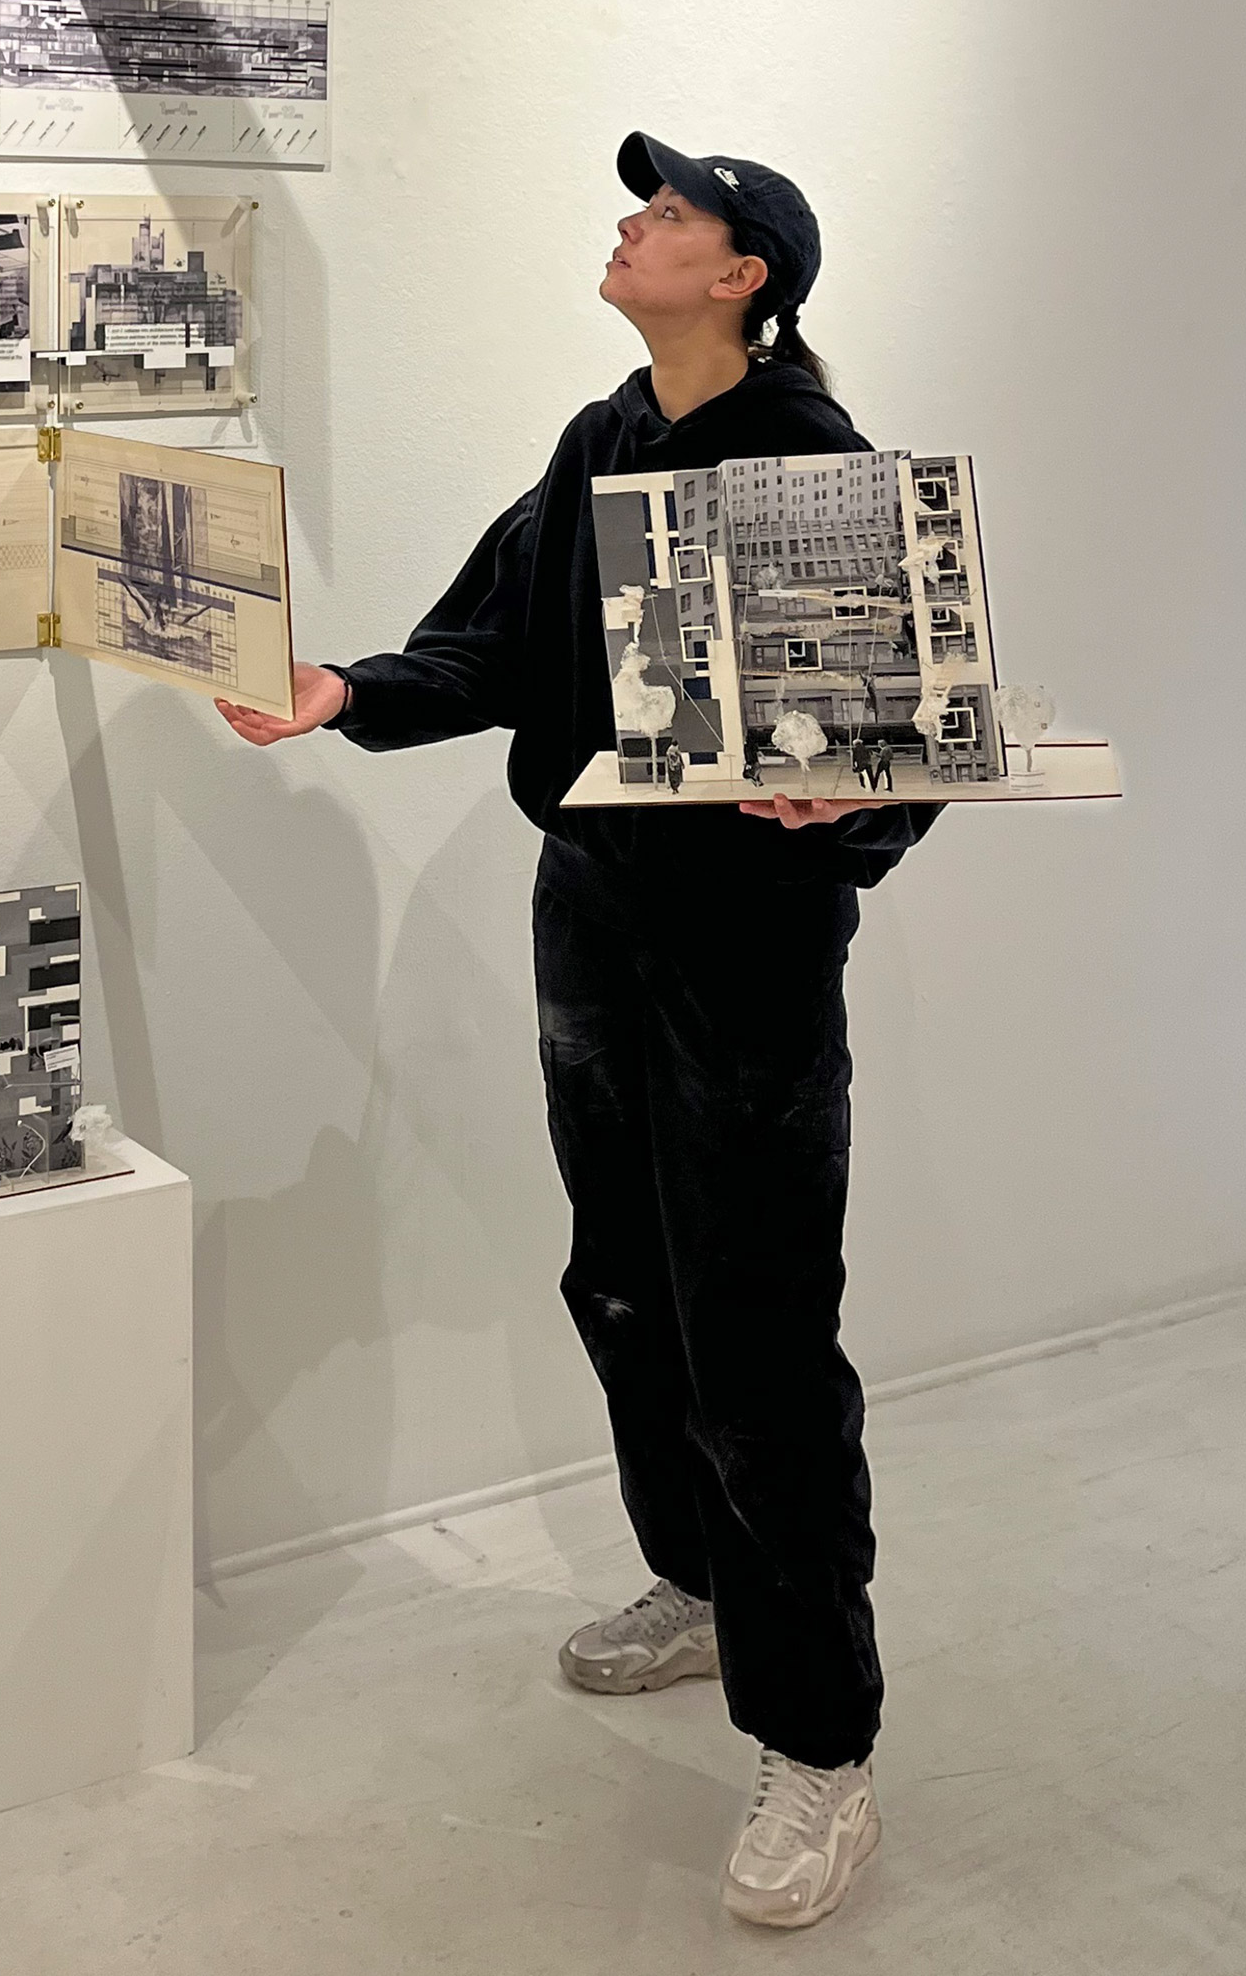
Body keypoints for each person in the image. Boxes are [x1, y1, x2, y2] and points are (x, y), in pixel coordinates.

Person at [217, 134, 938, 1932]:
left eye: (674, 214)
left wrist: (837, 816)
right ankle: (698, 1588)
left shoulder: (818, 473)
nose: (634, 227)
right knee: (620, 1279)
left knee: (758, 1332)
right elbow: (497, 641)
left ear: (748, 274)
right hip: (596, 918)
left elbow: (900, 739)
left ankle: (819, 1750)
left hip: (747, 948)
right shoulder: (603, 437)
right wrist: (350, 691)